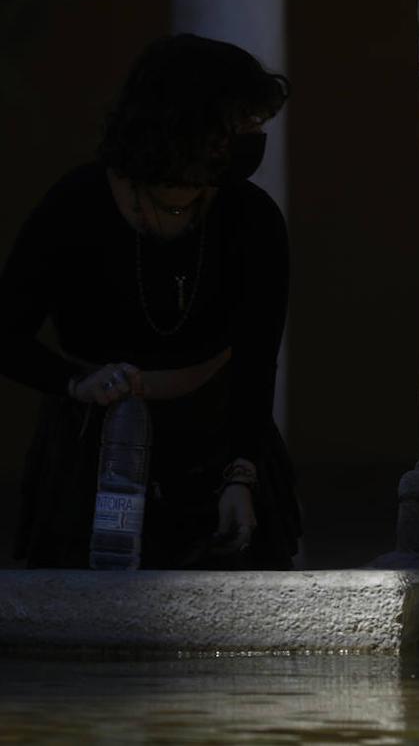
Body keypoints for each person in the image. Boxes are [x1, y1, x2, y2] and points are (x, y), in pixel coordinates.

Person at [0, 33, 301, 569]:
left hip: (219, 448)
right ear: (187, 125)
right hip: (93, 453)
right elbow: (5, 332)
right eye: (241, 122)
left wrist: (241, 476)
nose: (254, 136)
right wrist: (75, 382)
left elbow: (257, 357)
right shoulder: (78, 204)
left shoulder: (251, 218)